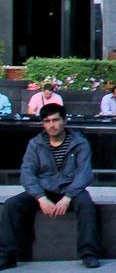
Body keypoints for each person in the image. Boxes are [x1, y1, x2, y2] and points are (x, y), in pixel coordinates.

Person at [0, 102, 102, 267]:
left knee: (87, 205)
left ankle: (88, 253)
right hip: (44, 189)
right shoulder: (36, 144)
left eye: (55, 120)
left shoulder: (79, 143)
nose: (51, 125)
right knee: (12, 205)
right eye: (47, 121)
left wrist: (68, 197)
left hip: (71, 189)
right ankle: (7, 255)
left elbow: (84, 174)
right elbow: (27, 173)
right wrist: (40, 197)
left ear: (64, 121)